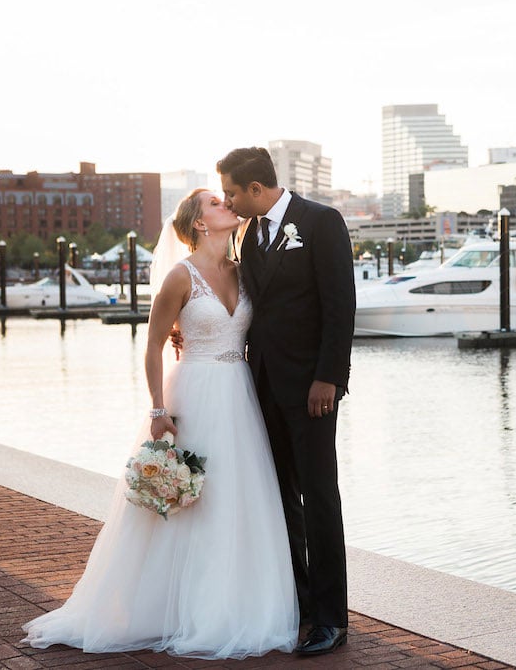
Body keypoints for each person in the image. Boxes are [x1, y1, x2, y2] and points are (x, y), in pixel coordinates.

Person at [22, 190, 298, 659]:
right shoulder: (179, 276)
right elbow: (152, 347)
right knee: (189, 500)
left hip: (239, 394)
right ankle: (172, 608)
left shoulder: (243, 269)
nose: (226, 203)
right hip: (193, 393)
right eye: (215, 202)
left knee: (238, 497)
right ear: (198, 223)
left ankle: (236, 604)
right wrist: (156, 410)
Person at [218, 147, 356, 656]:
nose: (228, 200)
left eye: (232, 191)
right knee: (280, 500)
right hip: (263, 387)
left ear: (255, 189)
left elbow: (340, 307)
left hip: (313, 390)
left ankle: (331, 619)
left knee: (319, 499)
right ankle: (297, 603)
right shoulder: (246, 233)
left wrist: (329, 378)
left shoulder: (321, 222)